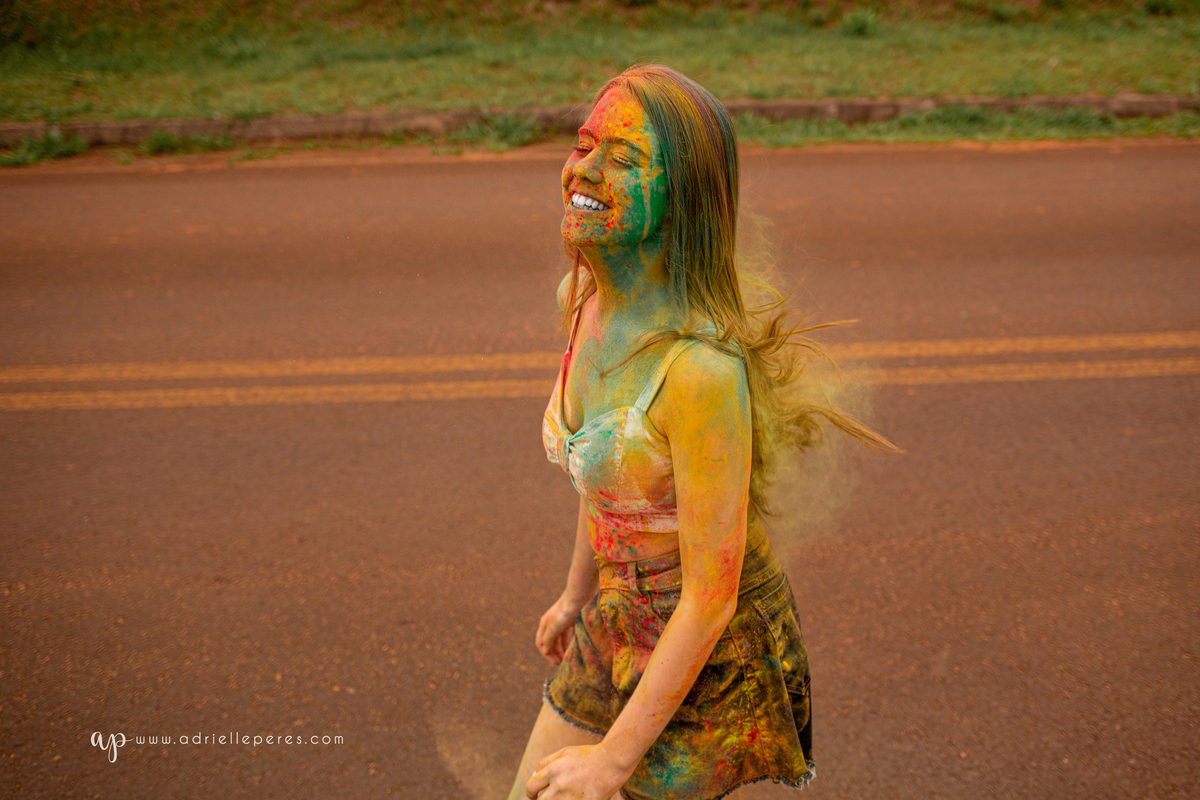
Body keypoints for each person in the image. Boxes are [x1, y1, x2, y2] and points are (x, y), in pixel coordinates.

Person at [510, 64, 892, 800]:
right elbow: (608, 479)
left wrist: (610, 765)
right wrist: (574, 593)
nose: (583, 169)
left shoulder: (700, 372)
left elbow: (709, 601)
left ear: (680, 199)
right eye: (583, 144)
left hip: (711, 648)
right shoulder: (582, 300)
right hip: (621, 612)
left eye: (623, 159)